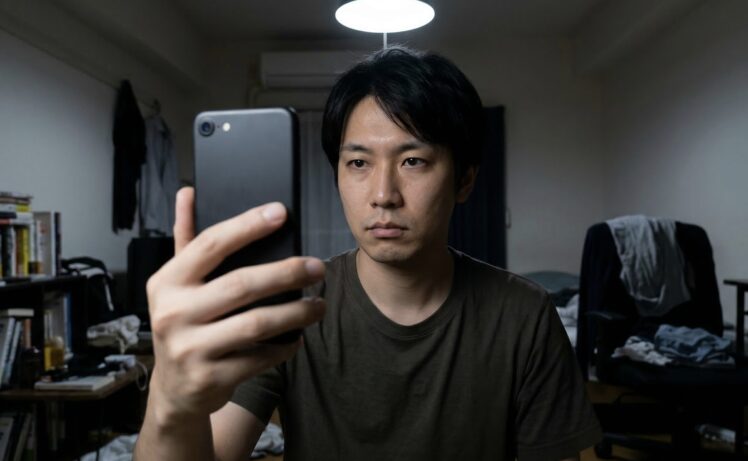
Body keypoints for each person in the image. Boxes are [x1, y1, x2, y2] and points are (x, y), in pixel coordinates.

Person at [134, 46, 601, 461]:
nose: (382, 195)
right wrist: (170, 401)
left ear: (464, 180)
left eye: (413, 161)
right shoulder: (292, 306)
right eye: (358, 162)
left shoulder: (524, 316)